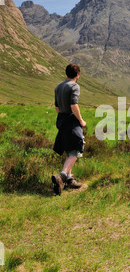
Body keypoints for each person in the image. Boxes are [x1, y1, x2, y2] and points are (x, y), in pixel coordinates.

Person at [52, 64, 86, 196]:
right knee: (77, 147)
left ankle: (70, 180)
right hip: (71, 120)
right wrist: (81, 120)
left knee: (69, 147)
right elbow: (74, 105)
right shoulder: (74, 86)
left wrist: (62, 118)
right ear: (77, 74)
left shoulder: (58, 86)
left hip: (61, 119)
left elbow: (57, 107)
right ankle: (62, 176)